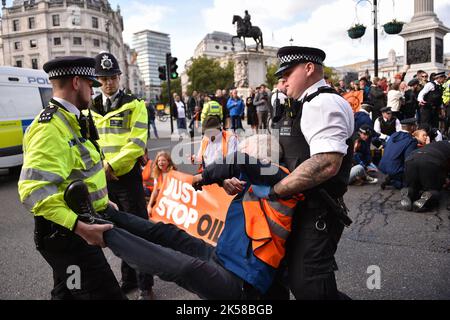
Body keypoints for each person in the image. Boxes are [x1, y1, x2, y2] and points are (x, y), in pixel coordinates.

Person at [65, 135, 303, 300]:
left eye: (244, 150)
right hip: (221, 257)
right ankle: (108, 214)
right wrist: (221, 180)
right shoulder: (253, 185)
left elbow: (238, 162)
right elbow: (235, 172)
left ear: (261, 160)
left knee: (183, 268)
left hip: (241, 282)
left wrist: (201, 178)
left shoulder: (283, 182)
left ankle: (102, 232)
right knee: (168, 233)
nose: (237, 153)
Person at [17, 56, 125, 300]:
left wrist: (101, 203)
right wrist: (80, 227)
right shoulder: (50, 127)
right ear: (77, 82)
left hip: (71, 230)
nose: (92, 90)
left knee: (68, 290)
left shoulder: (70, 119)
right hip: (68, 235)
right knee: (106, 293)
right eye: (90, 84)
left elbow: (78, 172)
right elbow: (33, 190)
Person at [253, 46, 354, 300]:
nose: (282, 81)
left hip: (316, 210)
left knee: (310, 286)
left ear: (309, 68)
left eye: (287, 73)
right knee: (285, 276)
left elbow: (325, 163)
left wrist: (273, 191)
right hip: (293, 209)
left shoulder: (323, 103)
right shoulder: (296, 105)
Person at [90, 52, 153, 299]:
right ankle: (128, 280)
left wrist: (111, 166)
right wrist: (102, 168)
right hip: (103, 180)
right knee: (114, 232)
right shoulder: (90, 107)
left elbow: (137, 143)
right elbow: (89, 143)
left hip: (126, 178)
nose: (108, 83)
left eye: (112, 77)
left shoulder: (134, 104)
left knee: (138, 232)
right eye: (103, 78)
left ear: (119, 76)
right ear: (98, 79)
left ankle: (145, 285)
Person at [400, 141, 450, 212]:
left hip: (411, 159)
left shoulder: (437, 143)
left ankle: (408, 191)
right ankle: (427, 196)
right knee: (433, 189)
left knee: (413, 187)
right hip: (432, 161)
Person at [378, 118, 418, 190]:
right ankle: (395, 181)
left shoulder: (394, 135)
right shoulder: (411, 140)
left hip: (383, 166)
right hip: (396, 169)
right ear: (412, 127)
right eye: (415, 125)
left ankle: (392, 177)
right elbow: (408, 159)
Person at [147, 151, 177, 218]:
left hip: (171, 202)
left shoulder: (173, 173)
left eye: (163, 160)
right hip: (161, 201)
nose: (161, 162)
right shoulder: (157, 174)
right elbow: (155, 191)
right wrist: (149, 205)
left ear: (168, 162)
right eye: (159, 160)